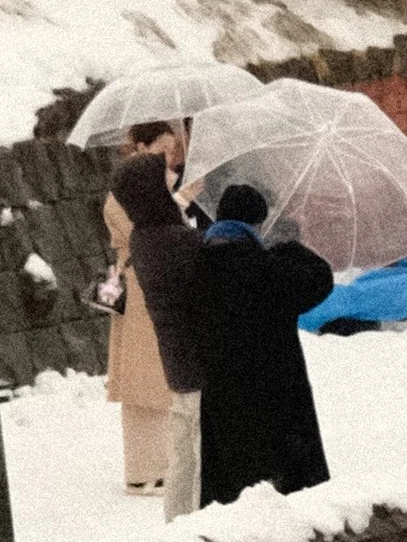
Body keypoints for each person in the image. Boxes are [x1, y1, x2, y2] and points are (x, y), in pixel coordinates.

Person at [194, 183, 333, 506]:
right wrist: (291, 249)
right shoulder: (267, 269)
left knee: (231, 486)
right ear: (256, 224)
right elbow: (319, 279)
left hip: (221, 389)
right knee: (285, 487)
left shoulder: (198, 265)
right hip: (276, 390)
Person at [106, 128, 207, 516]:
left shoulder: (154, 186)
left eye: (173, 151)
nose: (170, 159)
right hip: (137, 284)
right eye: (161, 152)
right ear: (142, 148)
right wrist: (180, 198)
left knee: (159, 377)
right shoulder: (128, 187)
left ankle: (161, 464)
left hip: (148, 283)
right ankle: (143, 469)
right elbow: (137, 226)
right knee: (140, 380)